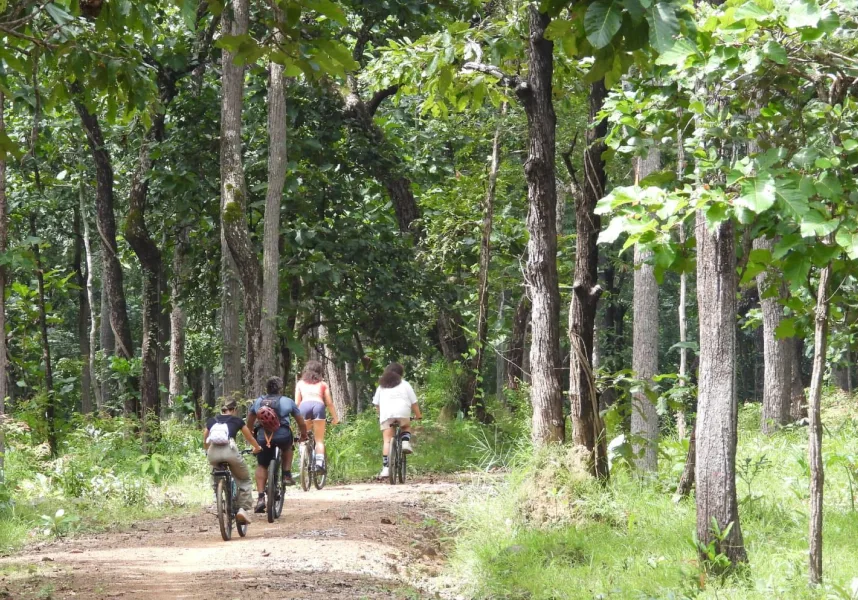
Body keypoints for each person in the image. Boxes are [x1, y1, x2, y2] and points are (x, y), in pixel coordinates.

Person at [246, 376, 308, 514]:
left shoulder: (258, 401)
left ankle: (261, 497)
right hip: (282, 435)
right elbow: (301, 422)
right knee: (288, 446)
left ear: (266, 389)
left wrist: (250, 434)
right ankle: (286, 474)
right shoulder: (287, 401)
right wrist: (303, 435)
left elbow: (249, 422)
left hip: (263, 437)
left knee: (262, 465)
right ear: (280, 389)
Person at [202, 398, 262, 525]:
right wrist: (257, 447)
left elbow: (205, 437)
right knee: (244, 479)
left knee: (216, 473)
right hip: (230, 452)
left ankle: (218, 494)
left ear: (221, 410)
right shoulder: (237, 420)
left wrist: (208, 451)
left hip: (213, 453)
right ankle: (242, 509)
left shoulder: (212, 420)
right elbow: (249, 437)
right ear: (234, 409)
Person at [372, 362, 422, 479]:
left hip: (386, 414)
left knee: (387, 441)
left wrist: (381, 415)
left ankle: (386, 468)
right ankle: (405, 442)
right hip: (403, 412)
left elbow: (376, 404)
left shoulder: (382, 386)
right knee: (405, 426)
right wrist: (418, 416)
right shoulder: (405, 384)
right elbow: (414, 403)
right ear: (401, 374)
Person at [295, 360, 340, 472]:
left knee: (303, 437)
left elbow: (296, 403)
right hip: (318, 406)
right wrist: (335, 418)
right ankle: (319, 463)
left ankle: (303, 457)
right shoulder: (323, 384)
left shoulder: (300, 383)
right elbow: (329, 402)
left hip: (304, 407)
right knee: (319, 440)